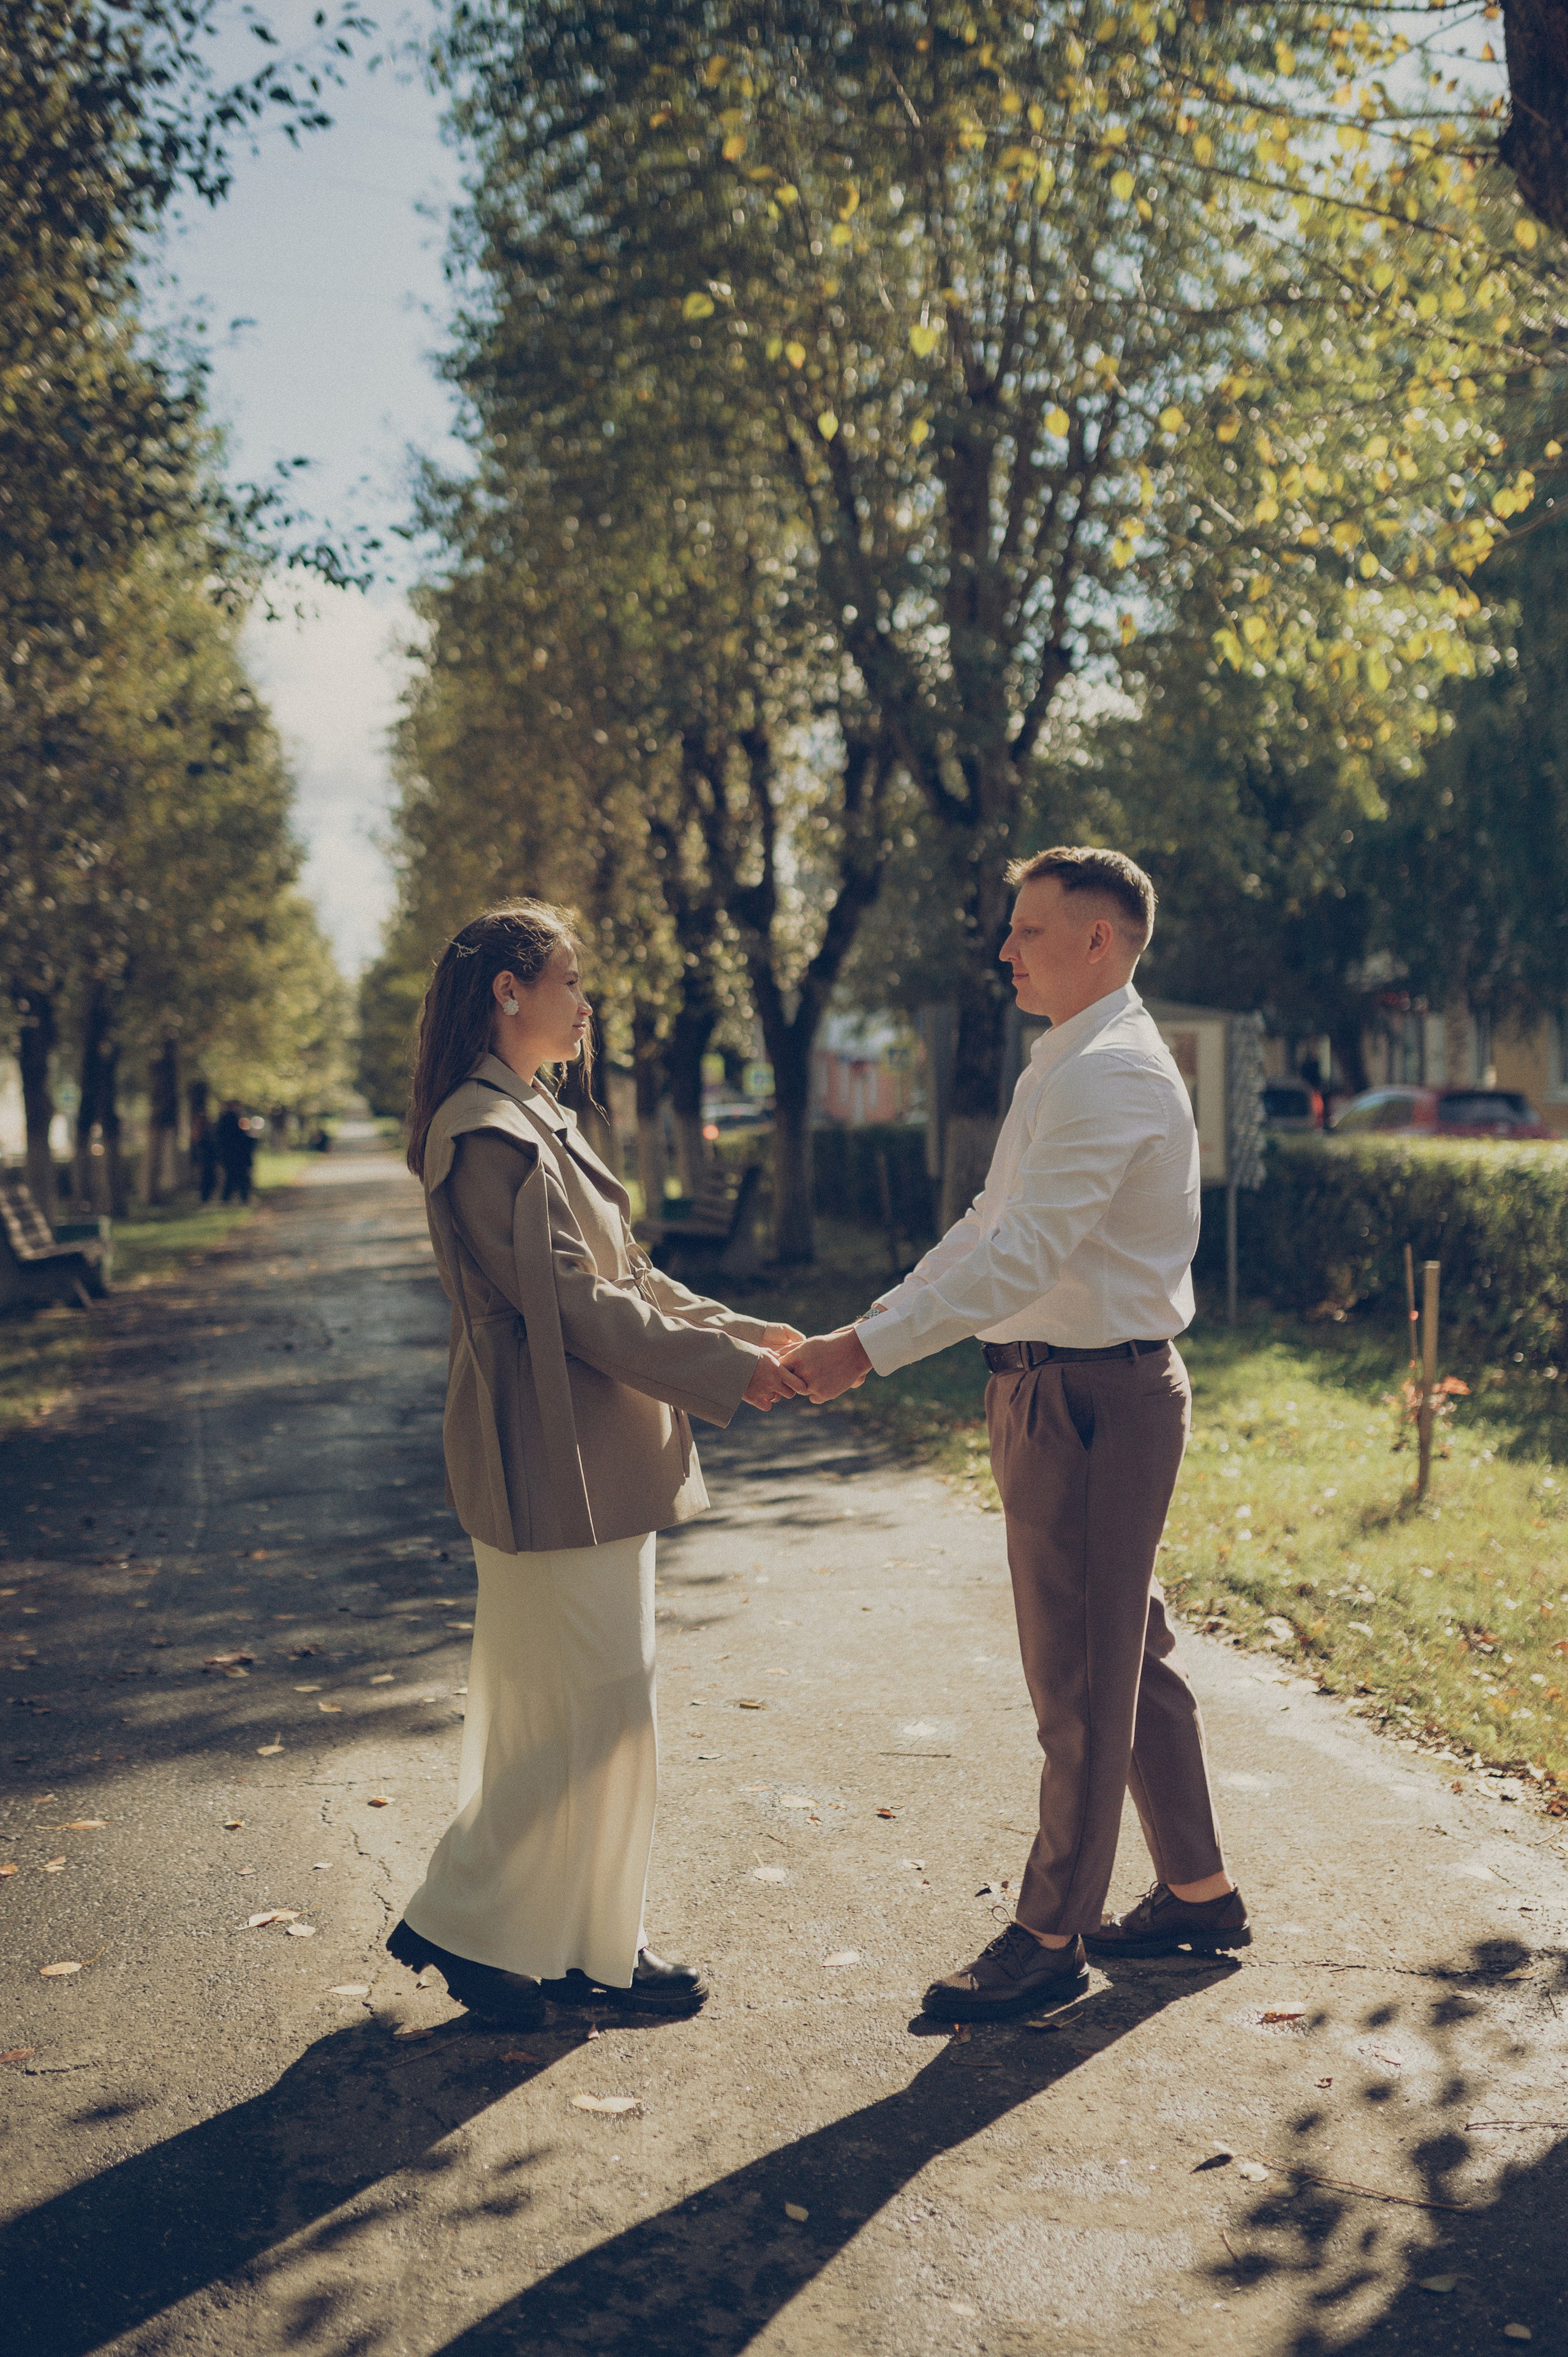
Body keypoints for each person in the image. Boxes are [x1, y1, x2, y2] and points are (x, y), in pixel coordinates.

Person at [786, 847, 1247, 2022]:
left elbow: (1025, 1257)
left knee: (1083, 1676)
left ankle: (1049, 1934)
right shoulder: (1071, 1058)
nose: (1006, 950)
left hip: (1095, 1396)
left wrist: (866, 1351)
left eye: (1029, 930)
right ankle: (1197, 1888)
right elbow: (991, 1225)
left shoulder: (1111, 1073)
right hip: (1058, 1386)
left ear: (1099, 938)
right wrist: (872, 1324)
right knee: (1122, 1648)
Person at [385, 901, 805, 2032]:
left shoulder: (539, 1117)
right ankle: (462, 1909)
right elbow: (571, 1303)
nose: (586, 1000)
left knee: (580, 1709)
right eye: (570, 979)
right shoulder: (485, 1133)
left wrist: (746, 1334)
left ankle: (580, 1945)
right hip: (546, 1454)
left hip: (592, 1450)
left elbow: (631, 1274)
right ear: (507, 992)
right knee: (591, 1709)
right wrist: (725, 1368)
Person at [213, 1101, 255, 1202]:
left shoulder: (224, 1121)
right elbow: (240, 1139)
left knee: (232, 1178)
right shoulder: (232, 1121)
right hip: (236, 1156)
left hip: (229, 1155)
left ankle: (229, 1199)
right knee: (238, 1177)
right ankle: (239, 1199)